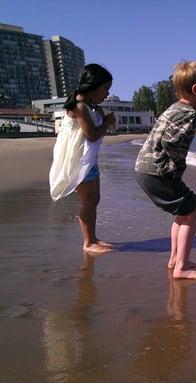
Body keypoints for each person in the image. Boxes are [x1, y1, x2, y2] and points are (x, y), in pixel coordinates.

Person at [135, 60, 196, 279]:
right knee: (192, 212)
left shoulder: (173, 108)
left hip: (145, 168)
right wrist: (177, 166)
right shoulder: (189, 115)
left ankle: (175, 259)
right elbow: (171, 142)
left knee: (183, 213)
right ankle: (181, 267)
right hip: (158, 171)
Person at [49, 63, 116, 254]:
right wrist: (107, 122)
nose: (107, 94)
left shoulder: (90, 105)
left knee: (95, 199)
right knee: (89, 201)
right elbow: (92, 135)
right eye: (105, 89)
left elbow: (101, 131)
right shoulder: (79, 106)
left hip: (89, 159)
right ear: (92, 86)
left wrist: (106, 120)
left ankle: (92, 238)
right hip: (78, 161)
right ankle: (88, 243)